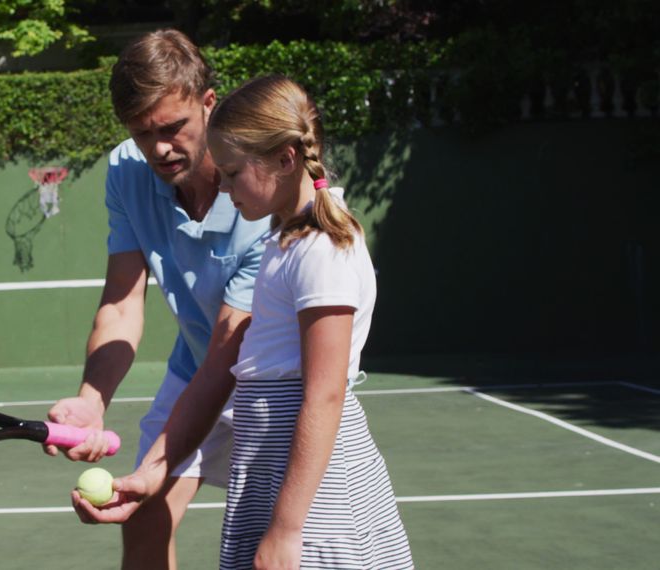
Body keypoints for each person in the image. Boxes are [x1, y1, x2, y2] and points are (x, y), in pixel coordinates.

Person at [74, 75, 414, 569]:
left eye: (232, 173)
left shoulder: (320, 251)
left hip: (314, 503)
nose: (224, 187)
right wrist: (153, 475)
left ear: (285, 159)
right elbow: (217, 372)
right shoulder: (285, 242)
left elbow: (324, 394)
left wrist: (287, 528)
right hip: (268, 470)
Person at [44, 30, 271, 569]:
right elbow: (122, 303)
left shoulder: (265, 193)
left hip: (273, 385)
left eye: (173, 128)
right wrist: (91, 399)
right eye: (143, 134)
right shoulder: (127, 170)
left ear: (209, 105)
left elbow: (228, 358)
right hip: (196, 364)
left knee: (275, 547)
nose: (160, 149)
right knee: (142, 514)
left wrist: (155, 465)